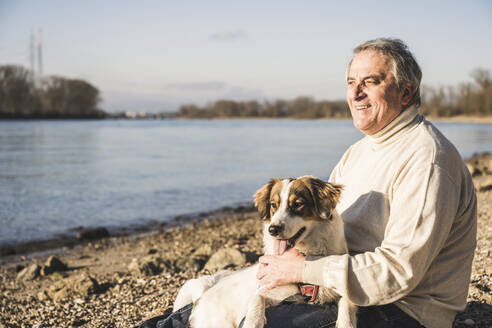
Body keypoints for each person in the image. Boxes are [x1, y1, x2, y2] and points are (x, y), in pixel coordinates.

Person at [134, 38, 477, 328]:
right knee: (197, 309)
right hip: (332, 285)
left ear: (406, 92)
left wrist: (301, 267)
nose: (355, 93)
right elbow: (322, 229)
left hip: (400, 311)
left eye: (370, 82)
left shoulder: (427, 160)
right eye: (350, 82)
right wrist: (283, 265)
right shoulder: (359, 152)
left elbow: (398, 273)